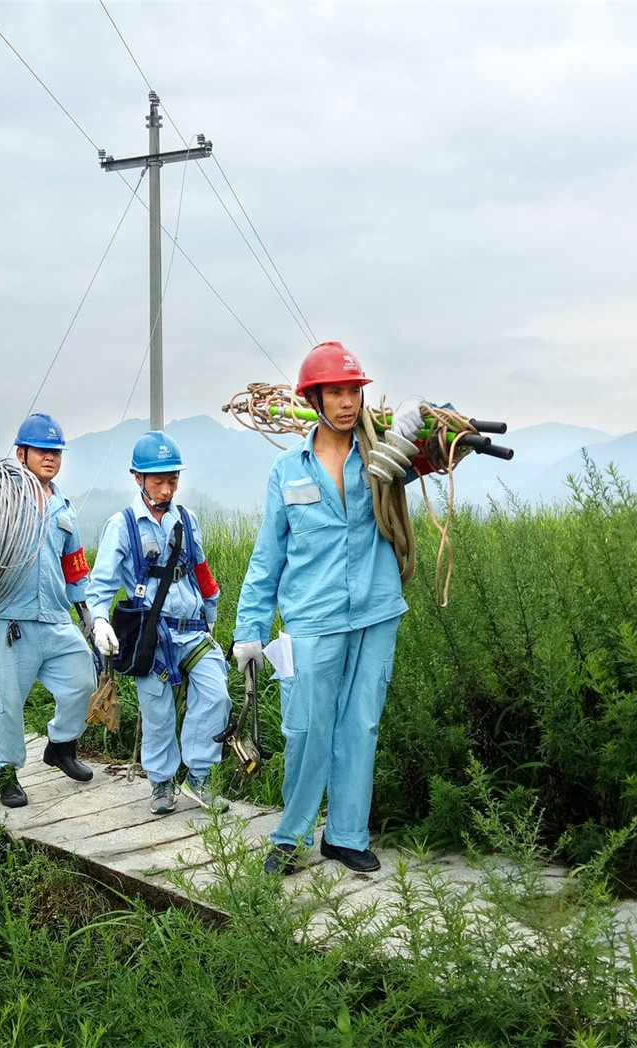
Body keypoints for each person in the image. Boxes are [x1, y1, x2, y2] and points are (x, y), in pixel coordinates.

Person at [232, 342, 425, 875]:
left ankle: (343, 836)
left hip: (376, 609)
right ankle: (289, 837)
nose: (346, 402)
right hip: (312, 618)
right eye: (335, 392)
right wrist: (249, 628)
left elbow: (434, 448)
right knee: (308, 727)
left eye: (353, 391)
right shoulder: (287, 469)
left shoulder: (383, 454)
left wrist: (426, 418)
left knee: (360, 724)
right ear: (314, 398)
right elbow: (268, 553)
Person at [0, 413, 97, 808]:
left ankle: (61, 746)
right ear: (21, 453)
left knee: (83, 677)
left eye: (56, 452)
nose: (50, 458)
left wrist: (87, 614)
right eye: (42, 451)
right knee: (5, 701)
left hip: (54, 617)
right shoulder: (0, 499)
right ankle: (6, 773)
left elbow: (74, 564)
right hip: (6, 618)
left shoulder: (63, 505)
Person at [87, 431, 232, 816]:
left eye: (173, 480)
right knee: (158, 713)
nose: (167, 489)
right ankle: (161, 784)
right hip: (153, 635)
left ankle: (199, 776)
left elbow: (200, 569)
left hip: (193, 628)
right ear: (138, 478)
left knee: (216, 693)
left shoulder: (187, 519)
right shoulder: (122, 526)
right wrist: (100, 620)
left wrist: (212, 612)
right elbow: (99, 583)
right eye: (158, 481)